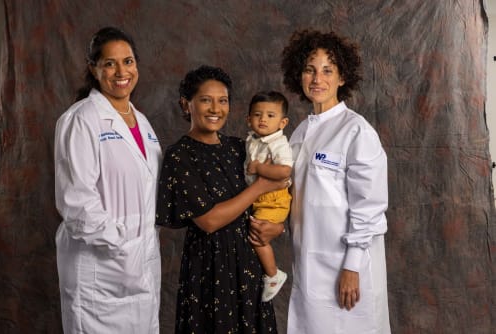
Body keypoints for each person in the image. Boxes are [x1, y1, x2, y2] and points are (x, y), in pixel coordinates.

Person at [156, 65, 286, 333]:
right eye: (206, 100)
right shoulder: (180, 155)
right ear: (186, 104)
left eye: (223, 101)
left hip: (250, 266)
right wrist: (259, 186)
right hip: (209, 271)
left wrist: (277, 227)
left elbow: (279, 189)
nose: (215, 109)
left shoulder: (240, 148)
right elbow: (209, 220)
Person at [281, 29, 391, 333]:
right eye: (309, 70)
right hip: (308, 264)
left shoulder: (356, 131)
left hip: (346, 267)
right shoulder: (299, 133)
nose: (317, 79)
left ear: (342, 78)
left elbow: (369, 206)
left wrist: (352, 266)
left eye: (328, 70)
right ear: (299, 76)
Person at [54, 27, 162, 334]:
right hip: (100, 273)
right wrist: (122, 244)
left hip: (141, 271)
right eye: (110, 63)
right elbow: (77, 204)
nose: (121, 71)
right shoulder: (81, 119)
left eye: (127, 61)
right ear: (93, 69)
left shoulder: (141, 122)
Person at [244, 91, 293, 302]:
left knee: (257, 236)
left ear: (283, 122)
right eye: (257, 114)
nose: (263, 119)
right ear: (248, 119)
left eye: (271, 116)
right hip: (260, 196)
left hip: (274, 199)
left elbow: (284, 171)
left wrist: (259, 167)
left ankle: (273, 275)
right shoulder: (252, 139)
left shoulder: (278, 143)